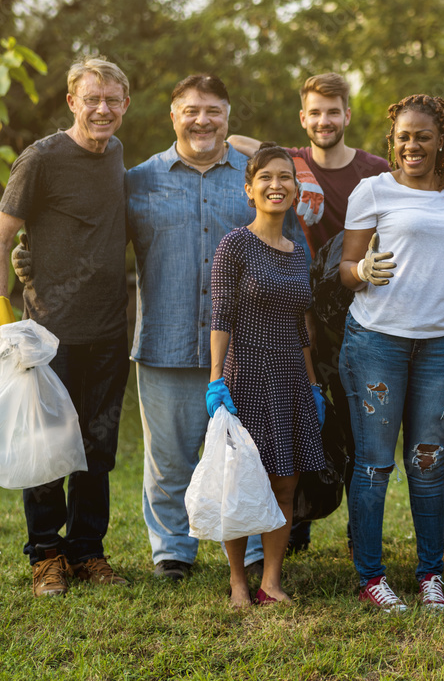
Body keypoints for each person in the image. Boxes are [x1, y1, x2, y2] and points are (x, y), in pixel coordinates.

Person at [127, 75, 312, 581]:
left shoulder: (253, 179)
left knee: (249, 455)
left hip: (246, 351)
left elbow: (293, 247)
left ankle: (255, 552)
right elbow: (99, 240)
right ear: (173, 116)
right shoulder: (140, 179)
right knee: (168, 460)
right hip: (165, 338)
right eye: (191, 110)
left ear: (228, 118)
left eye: (213, 110)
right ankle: (172, 554)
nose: (202, 120)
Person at [0, 57, 132, 596]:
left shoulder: (117, 154)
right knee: (47, 446)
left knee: (98, 448)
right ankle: (45, 554)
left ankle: (87, 551)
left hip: (111, 332)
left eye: (112, 100)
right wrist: (2, 324)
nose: (102, 109)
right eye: (91, 98)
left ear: (125, 106)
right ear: (72, 102)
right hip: (47, 337)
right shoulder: (40, 158)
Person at [229, 72, 390, 555]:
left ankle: (359, 534)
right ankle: (294, 529)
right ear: (303, 118)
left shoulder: (373, 168)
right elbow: (236, 141)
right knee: (300, 422)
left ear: (347, 115)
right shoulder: (291, 167)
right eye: (314, 113)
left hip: (360, 315)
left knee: (359, 431)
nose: (324, 121)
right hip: (300, 314)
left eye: (333, 111)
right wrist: (298, 173)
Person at [339, 94, 444, 612]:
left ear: (442, 140)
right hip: (376, 340)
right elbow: (345, 268)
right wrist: (361, 272)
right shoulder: (371, 190)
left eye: (423, 136)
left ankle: (430, 576)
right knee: (375, 464)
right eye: (403, 136)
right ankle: (371, 577)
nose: (412, 145)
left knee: (428, 463)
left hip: (439, 345)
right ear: (393, 140)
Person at [208, 143, 325, 608]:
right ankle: (239, 581)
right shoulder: (234, 244)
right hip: (246, 375)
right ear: (249, 189)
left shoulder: (299, 254)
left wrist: (313, 384)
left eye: (285, 178)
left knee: (286, 481)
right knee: (241, 480)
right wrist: (217, 379)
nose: (276, 185)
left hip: (291, 376)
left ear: (297, 191)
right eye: (266, 178)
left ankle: (271, 581)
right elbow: (221, 316)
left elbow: (303, 326)